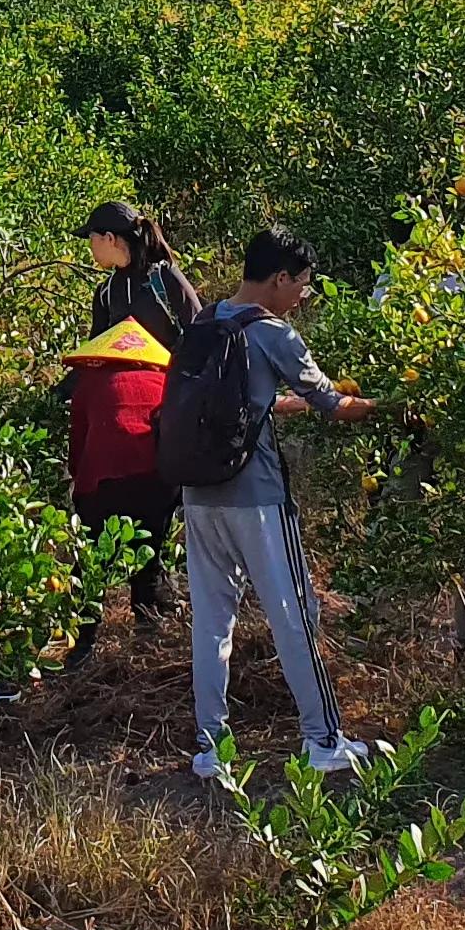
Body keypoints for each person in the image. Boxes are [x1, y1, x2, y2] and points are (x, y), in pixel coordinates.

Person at [182, 225, 377, 781]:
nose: (305, 296)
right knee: (295, 615)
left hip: (198, 495)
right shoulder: (274, 334)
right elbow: (333, 405)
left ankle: (211, 749)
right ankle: (323, 741)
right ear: (281, 277)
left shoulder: (204, 321)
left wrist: (278, 404)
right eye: (303, 284)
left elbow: (241, 403)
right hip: (259, 499)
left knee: (212, 624)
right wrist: (386, 405)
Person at [70, 201, 202, 621]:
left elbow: (198, 339)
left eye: (92, 239)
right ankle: (111, 645)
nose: (90, 248)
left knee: (152, 540)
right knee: (109, 544)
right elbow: (95, 354)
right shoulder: (107, 292)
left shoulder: (164, 280)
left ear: (111, 239)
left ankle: (152, 638)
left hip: (164, 424)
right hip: (115, 427)